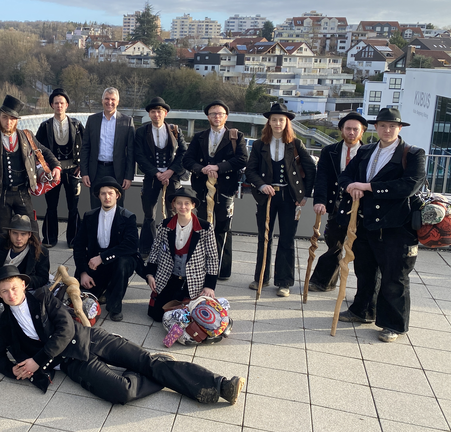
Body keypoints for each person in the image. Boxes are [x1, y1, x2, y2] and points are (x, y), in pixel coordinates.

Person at [0, 265, 245, 405]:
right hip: (73, 362)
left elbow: (65, 329)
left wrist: (37, 359)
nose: (11, 294)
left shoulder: (43, 298)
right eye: (4, 291)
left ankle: (218, 385)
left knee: (147, 362)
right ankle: (160, 368)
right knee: (122, 391)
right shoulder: (1, 324)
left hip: (91, 338)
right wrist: (15, 370)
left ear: (23, 285)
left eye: (14, 288)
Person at [337, 108, 425, 342]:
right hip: (366, 223)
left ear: (400, 128)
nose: (387, 130)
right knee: (365, 271)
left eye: (392, 126)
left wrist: (367, 187)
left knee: (394, 277)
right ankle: (362, 310)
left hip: (397, 226)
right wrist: (350, 186)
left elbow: (409, 185)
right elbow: (346, 176)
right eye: (383, 126)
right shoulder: (365, 151)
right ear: (376, 127)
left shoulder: (413, 154)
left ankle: (394, 324)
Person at [246, 103, 316, 297]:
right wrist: (261, 185)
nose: (277, 123)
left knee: (287, 239)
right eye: (274, 119)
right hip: (266, 198)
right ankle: (261, 276)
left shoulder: (296, 144)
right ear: (269, 122)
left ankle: (284, 282)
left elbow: (311, 169)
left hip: (289, 198)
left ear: (287, 122)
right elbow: (250, 170)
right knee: (264, 238)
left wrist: (304, 195)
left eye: (281, 120)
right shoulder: (260, 145)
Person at [0, 95, 61, 235]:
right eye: (5, 117)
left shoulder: (27, 137)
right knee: (3, 236)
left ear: (16, 120)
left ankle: (33, 257)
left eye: (12, 118)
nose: (8, 122)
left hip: (22, 192)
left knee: (32, 232)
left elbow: (45, 152)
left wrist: (56, 166)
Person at [182, 99, 248, 280]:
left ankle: (222, 269)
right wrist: (201, 169)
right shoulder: (199, 137)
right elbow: (187, 160)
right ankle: (203, 266)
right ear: (208, 117)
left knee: (223, 228)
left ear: (226, 116)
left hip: (225, 189)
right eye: (213, 114)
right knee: (203, 227)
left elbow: (242, 159)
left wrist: (219, 167)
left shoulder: (236, 136)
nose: (216, 117)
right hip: (203, 189)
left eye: (220, 113)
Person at [308, 112, 368, 292]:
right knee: (334, 243)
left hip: (360, 208)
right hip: (336, 205)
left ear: (362, 132)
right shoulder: (330, 151)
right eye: (348, 129)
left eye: (355, 129)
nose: (351, 132)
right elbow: (322, 178)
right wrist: (320, 201)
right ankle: (323, 281)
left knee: (361, 249)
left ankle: (364, 291)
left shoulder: (368, 153)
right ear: (341, 130)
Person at [142, 187, 219, 322]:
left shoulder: (205, 228)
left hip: (193, 279)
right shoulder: (165, 225)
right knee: (157, 315)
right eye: (179, 203)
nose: (182, 207)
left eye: (187, 203)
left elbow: (212, 258)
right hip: (169, 276)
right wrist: (150, 274)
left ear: (193, 205)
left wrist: (209, 286)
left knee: (191, 317)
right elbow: (155, 250)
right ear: (174, 205)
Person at [72, 177, 138, 322]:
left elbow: (131, 246)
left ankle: (115, 307)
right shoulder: (89, 216)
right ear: (98, 196)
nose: (107, 197)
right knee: (84, 297)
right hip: (95, 263)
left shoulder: (128, 217)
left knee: (122, 263)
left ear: (117, 195)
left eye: (110, 193)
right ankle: (105, 290)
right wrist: (83, 272)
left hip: (117, 261)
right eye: (103, 194)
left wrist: (102, 258)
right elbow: (79, 246)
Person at [134, 96, 188, 256]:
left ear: (165, 113)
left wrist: (170, 172)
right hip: (151, 177)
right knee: (149, 213)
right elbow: (139, 155)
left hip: (172, 178)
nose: (156, 114)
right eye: (153, 112)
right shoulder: (142, 132)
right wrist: (157, 173)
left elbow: (184, 152)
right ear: (149, 114)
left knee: (173, 213)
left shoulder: (175, 130)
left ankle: (172, 246)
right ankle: (147, 248)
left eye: (159, 111)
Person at [35, 88, 84, 248]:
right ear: (51, 105)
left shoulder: (77, 125)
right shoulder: (45, 126)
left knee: (73, 206)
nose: (59, 105)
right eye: (56, 103)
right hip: (52, 172)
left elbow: (86, 146)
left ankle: (74, 239)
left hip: (72, 170)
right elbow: (37, 148)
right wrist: (44, 168)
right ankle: (50, 238)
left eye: (62, 103)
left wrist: (81, 165)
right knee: (51, 205)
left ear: (67, 105)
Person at [81, 87, 135, 209]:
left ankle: (116, 229)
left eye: (112, 99)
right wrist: (84, 172)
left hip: (118, 172)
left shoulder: (127, 121)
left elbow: (131, 151)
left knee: (117, 208)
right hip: (96, 171)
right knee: (95, 206)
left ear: (118, 102)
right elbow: (85, 147)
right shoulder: (92, 120)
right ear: (102, 100)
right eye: (106, 99)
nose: (109, 102)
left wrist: (128, 176)